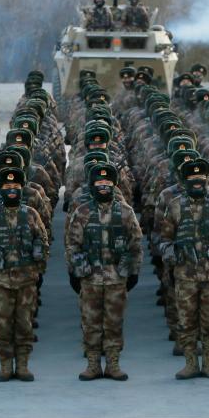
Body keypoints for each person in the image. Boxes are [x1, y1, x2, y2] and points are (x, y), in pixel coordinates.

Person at [158, 158, 209, 379]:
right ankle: (191, 363)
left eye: (201, 178)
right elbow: (164, 239)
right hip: (185, 275)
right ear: (185, 181)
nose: (197, 182)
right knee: (187, 321)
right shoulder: (175, 205)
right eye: (192, 178)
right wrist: (172, 261)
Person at [65, 163, 143, 381]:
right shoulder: (82, 212)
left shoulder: (125, 212)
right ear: (92, 185)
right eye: (99, 183)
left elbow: (135, 244)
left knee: (114, 323)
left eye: (107, 182)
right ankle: (92, 364)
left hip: (116, 279)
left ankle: (113, 364)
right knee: (91, 323)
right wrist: (78, 271)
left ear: (114, 185)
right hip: (90, 279)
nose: (103, 186)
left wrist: (131, 272)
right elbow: (72, 244)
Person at [0, 168, 49, 382]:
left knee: (25, 323)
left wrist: (39, 270)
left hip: (27, 280)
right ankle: (5, 365)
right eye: (7, 187)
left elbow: (42, 243)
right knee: (3, 324)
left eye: (15, 187)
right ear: (1, 190)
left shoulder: (31, 215)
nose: (12, 190)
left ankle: (23, 365)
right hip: (0, 281)